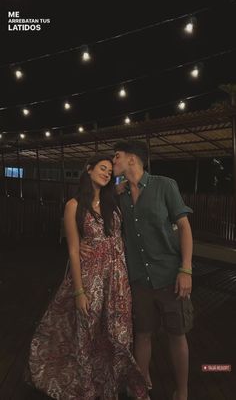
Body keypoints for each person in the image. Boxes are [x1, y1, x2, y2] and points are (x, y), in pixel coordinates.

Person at [28, 154, 148, 400]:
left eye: (109, 171)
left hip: (117, 277)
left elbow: (131, 183)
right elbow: (73, 249)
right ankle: (90, 386)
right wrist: (79, 291)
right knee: (89, 333)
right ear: (88, 169)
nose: (106, 173)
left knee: (119, 332)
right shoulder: (74, 205)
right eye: (102, 168)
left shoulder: (111, 200)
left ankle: (115, 383)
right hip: (91, 277)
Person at [112, 140, 194, 400]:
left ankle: (182, 391)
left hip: (170, 275)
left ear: (132, 159)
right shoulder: (121, 194)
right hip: (138, 279)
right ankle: (140, 385)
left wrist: (186, 269)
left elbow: (184, 227)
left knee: (176, 334)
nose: (113, 162)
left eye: (117, 157)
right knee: (143, 333)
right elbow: (92, 203)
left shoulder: (165, 185)